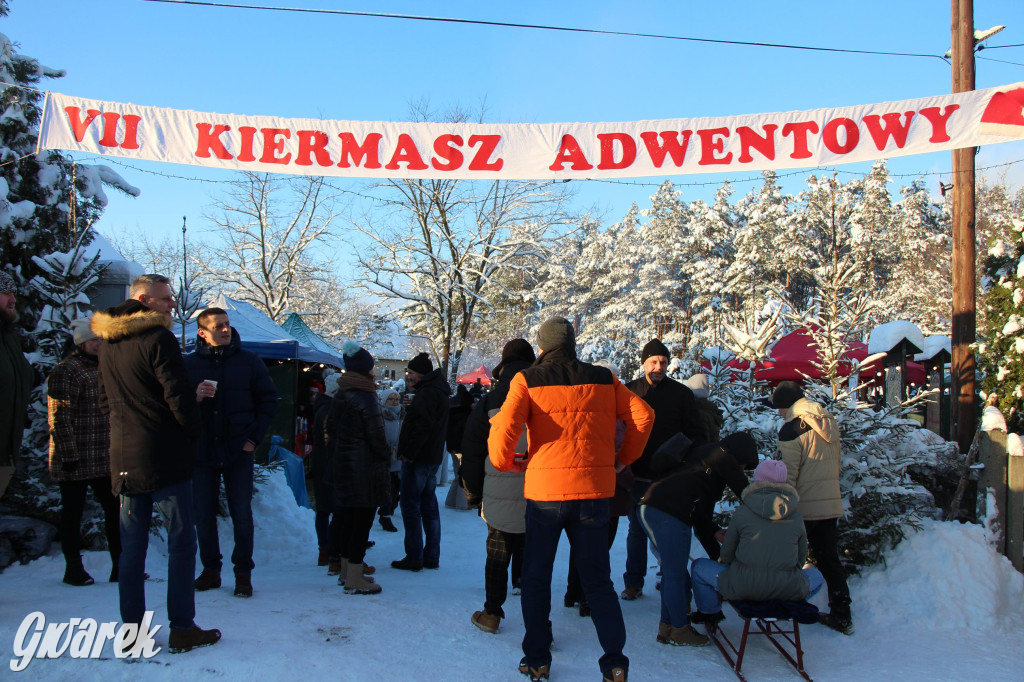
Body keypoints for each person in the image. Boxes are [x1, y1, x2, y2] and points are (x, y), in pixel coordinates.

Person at [489, 317, 654, 682]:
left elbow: (505, 428)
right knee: (598, 581)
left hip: (546, 495)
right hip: (594, 492)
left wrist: (507, 463)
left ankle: (537, 659)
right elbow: (643, 415)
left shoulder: (527, 379)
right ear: (573, 343)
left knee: (536, 577)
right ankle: (614, 662)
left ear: (544, 345)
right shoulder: (603, 378)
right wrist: (621, 459)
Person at [91, 273, 220, 653]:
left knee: (132, 548)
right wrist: (191, 430)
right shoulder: (157, 337)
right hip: (163, 456)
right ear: (144, 300)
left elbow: (105, 401)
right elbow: (177, 395)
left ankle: (132, 635)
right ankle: (182, 627)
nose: (172, 306)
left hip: (125, 455)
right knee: (182, 541)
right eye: (165, 300)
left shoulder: (109, 341)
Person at [184, 307, 278, 598]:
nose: (225, 330)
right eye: (218, 326)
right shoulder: (188, 365)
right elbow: (176, 407)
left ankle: (243, 574)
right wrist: (194, 397)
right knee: (203, 515)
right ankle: (211, 570)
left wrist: (253, 439)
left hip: (239, 448)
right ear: (202, 332)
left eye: (227, 325)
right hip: (202, 450)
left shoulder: (248, 361)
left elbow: (268, 400)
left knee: (242, 515)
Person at [637, 432, 759, 647]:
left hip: (655, 508)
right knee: (675, 574)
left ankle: (668, 626)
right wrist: (771, 513)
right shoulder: (722, 456)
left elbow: (701, 512)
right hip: (666, 513)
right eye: (744, 465)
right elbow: (747, 493)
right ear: (740, 454)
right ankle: (679, 630)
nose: (742, 469)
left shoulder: (705, 457)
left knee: (672, 572)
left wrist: (716, 543)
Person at [461, 339, 535, 634]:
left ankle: (491, 613)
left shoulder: (490, 399)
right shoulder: (542, 391)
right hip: (537, 489)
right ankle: (536, 621)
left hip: (497, 489)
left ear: (503, 364)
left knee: (497, 554)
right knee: (533, 558)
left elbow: (473, 449)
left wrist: (473, 492)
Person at [622, 339, 705, 601]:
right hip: (637, 472)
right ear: (643, 363)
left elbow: (695, 433)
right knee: (636, 529)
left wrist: (687, 463)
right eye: (653, 362)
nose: (659, 367)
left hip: (669, 475)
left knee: (666, 531)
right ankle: (633, 582)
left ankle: (668, 577)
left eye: (663, 362)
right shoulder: (629, 391)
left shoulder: (681, 394)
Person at [690, 459, 825, 621]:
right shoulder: (796, 516)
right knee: (816, 575)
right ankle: (784, 606)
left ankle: (710, 613)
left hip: (743, 586)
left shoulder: (743, 512)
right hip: (787, 589)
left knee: (698, 567)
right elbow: (800, 558)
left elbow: (727, 555)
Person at [767, 381, 853, 634]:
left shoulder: (791, 430)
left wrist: (779, 507)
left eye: (779, 408)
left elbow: (786, 474)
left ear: (786, 405)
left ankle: (783, 608)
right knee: (829, 559)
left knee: (787, 559)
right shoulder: (828, 422)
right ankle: (842, 613)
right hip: (829, 501)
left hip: (803, 506)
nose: (779, 413)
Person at [47, 317, 120, 586]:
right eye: (93, 340)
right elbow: (58, 415)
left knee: (114, 510)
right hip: (75, 456)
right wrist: (67, 453)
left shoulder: (106, 367)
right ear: (81, 342)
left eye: (101, 339)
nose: (98, 344)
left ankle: (120, 566)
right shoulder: (67, 370)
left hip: (104, 455)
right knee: (73, 514)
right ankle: (73, 569)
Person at [564, 359, 634, 618]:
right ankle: (586, 596)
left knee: (582, 543)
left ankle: (574, 591)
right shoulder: (614, 412)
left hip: (583, 485)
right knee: (598, 545)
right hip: (607, 488)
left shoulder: (581, 405)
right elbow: (620, 449)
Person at [325, 340, 391, 594]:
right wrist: (388, 454)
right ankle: (354, 576)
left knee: (347, 520)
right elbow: (377, 437)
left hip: (343, 468)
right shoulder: (366, 397)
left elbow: (329, 432)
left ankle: (345, 570)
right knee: (361, 523)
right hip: (364, 471)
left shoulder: (341, 394)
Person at [391, 352, 450, 572]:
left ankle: (414, 555)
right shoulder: (436, 391)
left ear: (422, 374)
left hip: (419, 458)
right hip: (431, 456)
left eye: (412, 372)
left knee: (411, 506)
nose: (409, 376)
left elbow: (422, 427)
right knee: (428, 505)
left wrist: (409, 453)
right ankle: (431, 555)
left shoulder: (427, 394)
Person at [0, 270, 34, 498]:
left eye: (13, 292)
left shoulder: (8, 337)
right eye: (5, 292)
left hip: (6, 451)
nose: (13, 299)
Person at [311, 370, 341, 564]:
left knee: (324, 509)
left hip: (321, 464)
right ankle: (329, 550)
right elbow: (329, 441)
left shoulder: (323, 407)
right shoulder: (330, 411)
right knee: (332, 509)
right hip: (329, 465)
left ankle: (325, 548)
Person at [377, 388, 403, 533]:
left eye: (396, 399)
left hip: (397, 457)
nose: (394, 402)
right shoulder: (380, 414)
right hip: (383, 457)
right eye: (391, 399)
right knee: (386, 488)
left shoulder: (401, 414)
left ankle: (388, 508)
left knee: (395, 487)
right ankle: (385, 515)